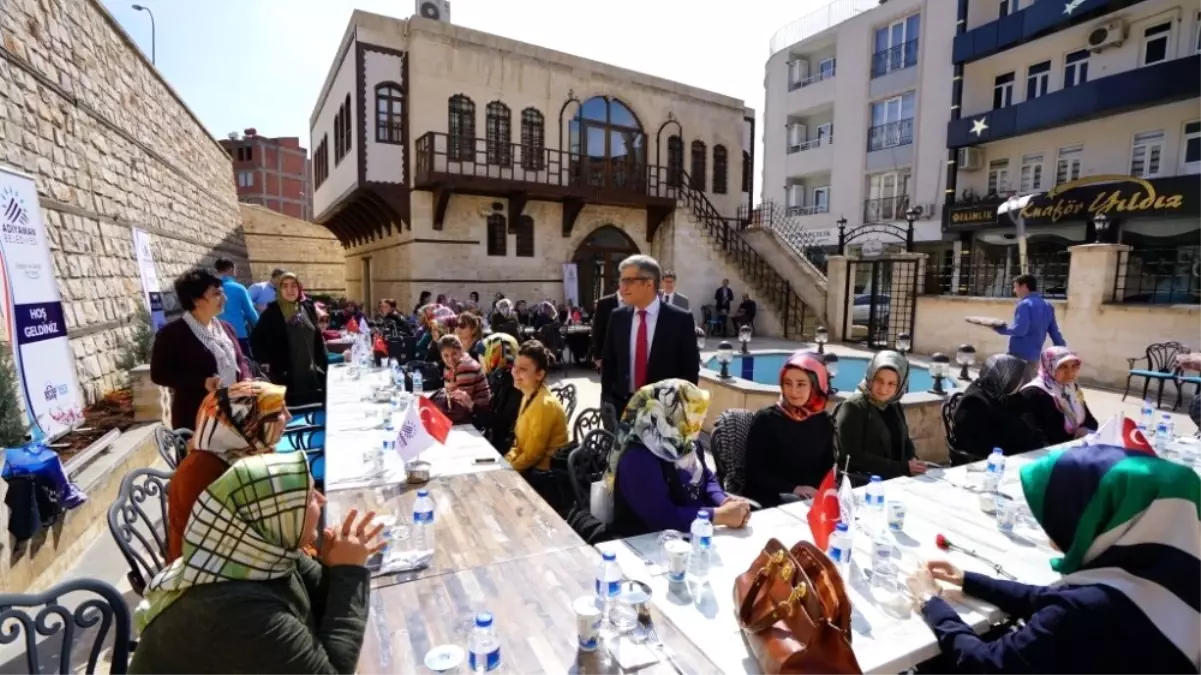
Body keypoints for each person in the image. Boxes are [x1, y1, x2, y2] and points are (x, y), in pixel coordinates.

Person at [906, 444, 1201, 674]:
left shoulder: (1082, 611)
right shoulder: (1169, 573)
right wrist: (970, 580)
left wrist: (932, 603)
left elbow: (986, 664)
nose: (1048, 530)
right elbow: (1050, 597)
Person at [129, 453, 383, 675]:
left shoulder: (258, 555)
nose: (322, 500)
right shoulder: (242, 610)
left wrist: (334, 568)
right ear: (275, 516)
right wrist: (348, 573)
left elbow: (321, 606)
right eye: (309, 497)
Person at [606, 379, 751, 537]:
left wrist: (723, 501)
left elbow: (706, 476)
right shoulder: (638, 459)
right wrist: (719, 515)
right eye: (692, 412)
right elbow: (662, 518)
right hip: (648, 545)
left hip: (691, 535)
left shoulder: (684, 442)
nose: (699, 419)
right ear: (666, 415)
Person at [166, 382, 289, 563]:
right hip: (209, 572)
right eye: (278, 413)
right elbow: (221, 543)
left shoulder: (248, 449)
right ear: (246, 422)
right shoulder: (201, 472)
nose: (289, 417)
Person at [151, 270, 252, 430]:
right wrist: (201, 382)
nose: (224, 299)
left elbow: (241, 362)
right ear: (196, 300)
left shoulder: (226, 328)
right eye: (216, 294)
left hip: (236, 414)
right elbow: (159, 375)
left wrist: (246, 379)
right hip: (197, 419)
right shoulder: (172, 335)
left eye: (222, 293)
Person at [600, 255, 701, 415]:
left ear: (649, 283)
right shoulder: (617, 317)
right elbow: (609, 362)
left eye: (628, 281)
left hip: (663, 414)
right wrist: (606, 400)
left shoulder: (680, 320)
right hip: (622, 409)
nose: (622, 287)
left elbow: (689, 371)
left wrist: (677, 412)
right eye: (621, 281)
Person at [743, 351, 835, 507]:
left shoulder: (823, 421)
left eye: (801, 384)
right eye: (787, 383)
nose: (793, 391)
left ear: (816, 386)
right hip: (769, 500)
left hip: (810, 500)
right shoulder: (766, 419)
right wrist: (793, 489)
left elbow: (826, 466)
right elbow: (753, 471)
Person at [833, 350, 925, 481]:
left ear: (900, 385)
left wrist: (913, 461)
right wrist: (902, 468)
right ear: (870, 377)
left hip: (896, 479)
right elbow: (853, 455)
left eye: (891, 384)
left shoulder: (894, 405)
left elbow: (905, 440)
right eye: (879, 380)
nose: (883, 389)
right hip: (863, 482)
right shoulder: (854, 407)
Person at [251, 272, 329, 406]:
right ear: (279, 289)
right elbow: (256, 339)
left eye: (294, 286)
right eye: (285, 286)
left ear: (299, 288)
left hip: (311, 372)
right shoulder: (272, 312)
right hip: (287, 374)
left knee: (314, 409)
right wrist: (265, 361)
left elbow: (317, 336)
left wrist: (322, 361)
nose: (290, 290)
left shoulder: (306, 307)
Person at [952, 354, 1046, 457]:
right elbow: (977, 444)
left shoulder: (1001, 393)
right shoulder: (974, 402)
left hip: (1023, 451)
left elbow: (1027, 415)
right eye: (1013, 379)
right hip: (994, 459)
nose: (1018, 385)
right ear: (1000, 376)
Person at [504, 340, 568, 473]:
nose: (515, 372)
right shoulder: (527, 395)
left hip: (545, 475)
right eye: (515, 366)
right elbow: (519, 444)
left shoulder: (544, 404)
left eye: (523, 369)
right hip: (530, 467)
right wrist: (507, 461)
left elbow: (533, 455)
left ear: (539, 374)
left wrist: (507, 471)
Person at [1019, 346, 1097, 445]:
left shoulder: (1072, 388)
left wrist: (1085, 429)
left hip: (1075, 446)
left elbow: (1090, 420)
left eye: (1074, 366)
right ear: (1049, 366)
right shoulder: (1034, 392)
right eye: (1063, 367)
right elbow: (1031, 433)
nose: (1070, 372)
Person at [994, 274, 1066, 381]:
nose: (1014, 290)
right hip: (1034, 357)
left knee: (1012, 387)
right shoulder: (1047, 306)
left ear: (1024, 287)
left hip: (1018, 355)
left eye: (1016, 287)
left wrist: (1000, 329)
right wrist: (1064, 351)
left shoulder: (1024, 304)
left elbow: (1020, 330)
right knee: (1028, 387)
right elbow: (1055, 333)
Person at [432, 335, 490, 425]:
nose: (450, 359)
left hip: (477, 415)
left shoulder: (465, 366)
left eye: (454, 353)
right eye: (446, 355)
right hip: (463, 412)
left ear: (461, 351)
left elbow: (461, 404)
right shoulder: (449, 367)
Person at [480, 332, 522, 453]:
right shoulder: (499, 375)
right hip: (499, 436)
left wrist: (474, 410)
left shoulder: (512, 380)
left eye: (485, 354)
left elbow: (503, 419)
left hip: (507, 444)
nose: (482, 359)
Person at [215, 258, 259, 355]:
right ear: (231, 269)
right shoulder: (238, 288)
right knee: (245, 365)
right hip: (238, 334)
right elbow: (250, 312)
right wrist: (260, 328)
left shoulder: (210, 288)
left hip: (216, 336)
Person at [590, 292, 619, 366]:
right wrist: (597, 355)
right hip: (610, 355)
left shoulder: (637, 302)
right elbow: (597, 330)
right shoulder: (604, 303)